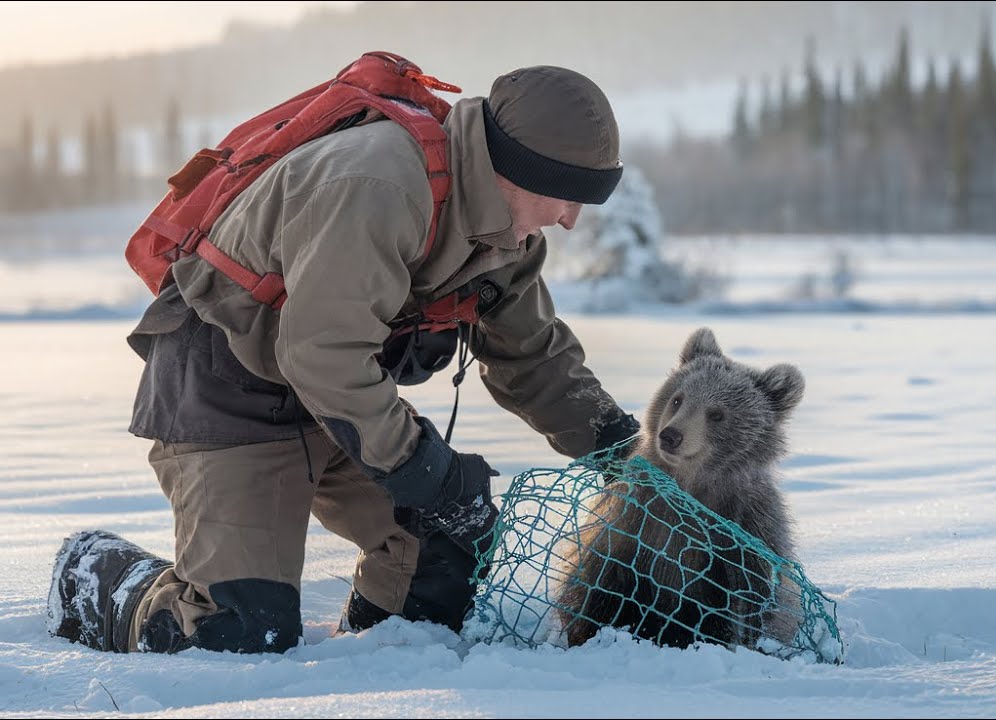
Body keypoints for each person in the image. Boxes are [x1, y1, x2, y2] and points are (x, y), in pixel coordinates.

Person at [46, 63, 640, 654]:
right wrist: (425, 467)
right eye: (566, 196)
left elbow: (533, 356)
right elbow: (324, 355)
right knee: (239, 633)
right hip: (225, 381)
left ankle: (367, 665)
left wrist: (626, 453)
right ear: (514, 168)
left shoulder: (506, 234)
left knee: (442, 554)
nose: (569, 220)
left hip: (331, 401)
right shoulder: (380, 183)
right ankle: (95, 576)